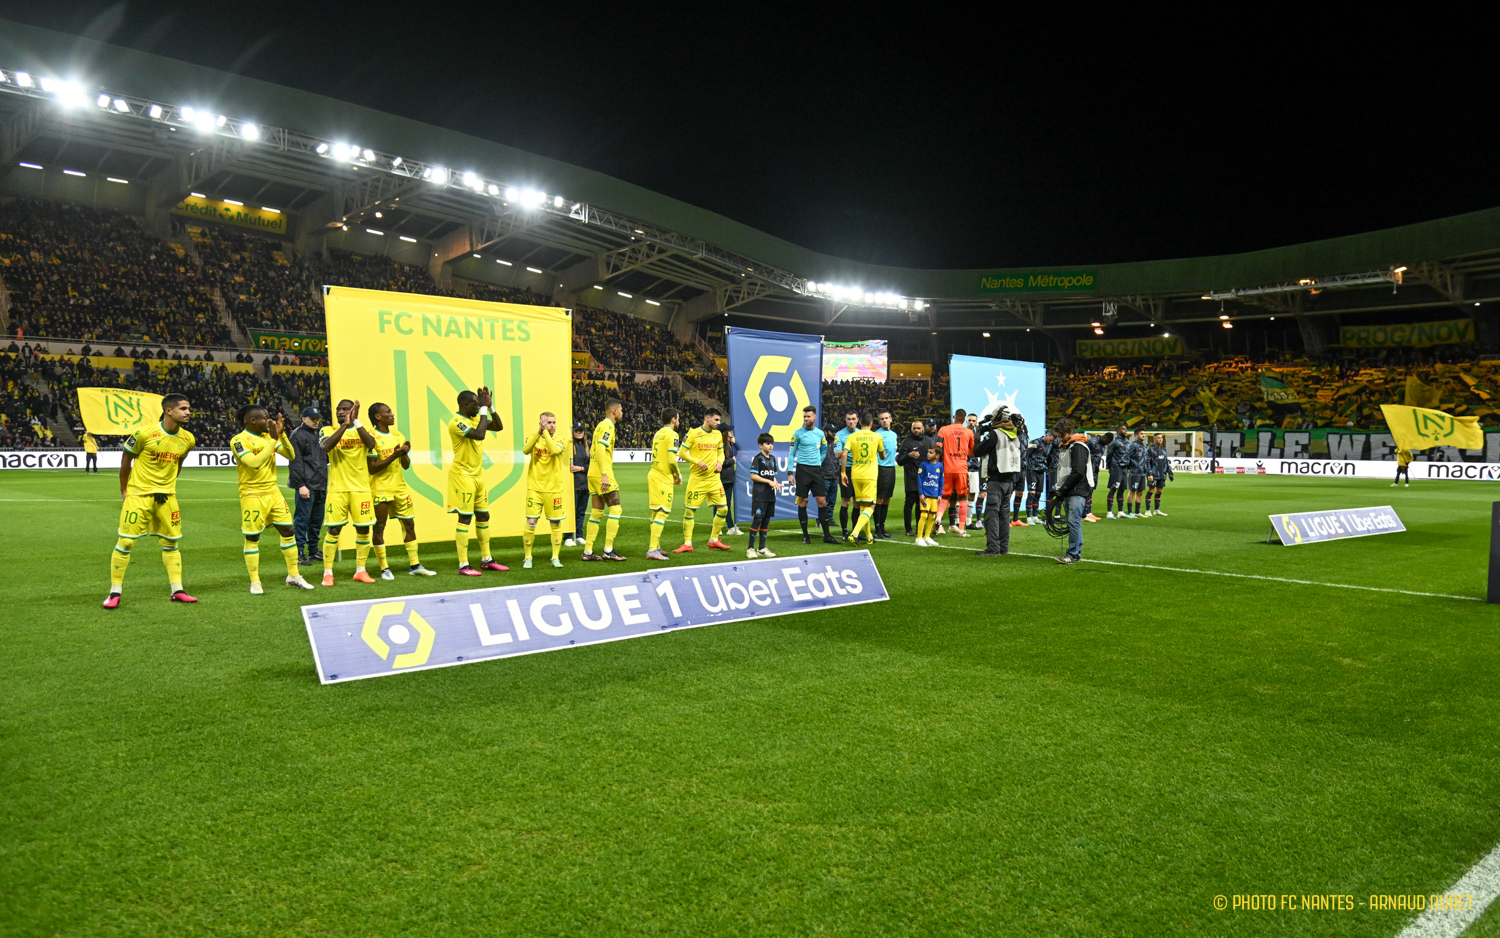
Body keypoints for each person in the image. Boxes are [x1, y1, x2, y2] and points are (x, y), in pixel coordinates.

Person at [103, 393, 197, 608]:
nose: (188, 412)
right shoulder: (144, 434)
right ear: (168, 411)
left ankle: (177, 590)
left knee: (171, 543)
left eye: (188, 408)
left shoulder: (188, 439)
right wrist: (124, 490)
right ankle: (114, 592)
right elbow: (126, 460)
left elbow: (178, 464)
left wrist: (168, 485)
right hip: (139, 496)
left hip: (167, 497)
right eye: (183, 408)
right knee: (126, 542)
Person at [231, 404, 314, 593]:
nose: (269, 422)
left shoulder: (268, 437)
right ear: (252, 420)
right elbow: (253, 463)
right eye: (265, 418)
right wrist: (272, 440)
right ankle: (255, 581)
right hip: (252, 494)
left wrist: (281, 435)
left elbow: (291, 454)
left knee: (288, 530)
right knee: (253, 536)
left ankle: (293, 575)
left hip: (273, 493)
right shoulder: (238, 440)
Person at [366, 402, 435, 578]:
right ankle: (384, 568)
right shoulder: (372, 437)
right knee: (380, 527)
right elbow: (372, 468)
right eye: (387, 412)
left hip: (400, 488)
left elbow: (406, 466)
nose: (392, 414)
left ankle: (415, 565)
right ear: (378, 416)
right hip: (381, 488)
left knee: (409, 524)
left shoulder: (398, 436)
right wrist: (394, 455)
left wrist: (403, 454)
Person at [447, 387, 508, 574]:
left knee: (483, 515)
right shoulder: (456, 422)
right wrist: (482, 410)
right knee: (465, 518)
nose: (478, 407)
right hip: (462, 476)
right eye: (475, 404)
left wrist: (490, 408)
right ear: (465, 405)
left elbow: (498, 426)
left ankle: (487, 559)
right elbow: (479, 435)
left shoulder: (475, 418)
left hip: (477, 476)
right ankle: (463, 564)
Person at [320, 398, 379, 586]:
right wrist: (345, 426)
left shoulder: (366, 431)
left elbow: (372, 444)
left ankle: (360, 570)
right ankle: (328, 573)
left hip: (361, 489)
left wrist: (356, 422)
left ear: (353, 411)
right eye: (338, 409)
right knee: (334, 529)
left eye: (345, 409)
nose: (340, 412)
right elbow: (326, 446)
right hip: (337, 489)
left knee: (363, 529)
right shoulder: (328, 430)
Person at [676, 407, 731, 552]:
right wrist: (697, 462)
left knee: (723, 508)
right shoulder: (693, 433)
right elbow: (681, 453)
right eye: (716, 419)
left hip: (714, 479)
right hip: (697, 480)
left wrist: (720, 462)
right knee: (690, 511)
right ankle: (687, 543)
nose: (719, 422)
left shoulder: (718, 434)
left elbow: (721, 453)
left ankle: (713, 540)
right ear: (708, 418)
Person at [521, 411, 568, 569]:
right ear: (541, 423)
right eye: (549, 423)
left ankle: (555, 557)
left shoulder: (560, 439)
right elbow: (525, 450)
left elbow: (554, 450)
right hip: (535, 488)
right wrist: (538, 433)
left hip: (554, 489)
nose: (552, 425)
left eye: (554, 422)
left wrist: (546, 433)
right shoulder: (533, 438)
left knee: (555, 522)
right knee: (531, 521)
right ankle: (528, 557)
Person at [973, 409, 1023, 556]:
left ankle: (993, 548)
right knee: (1004, 516)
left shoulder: (996, 434)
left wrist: (977, 435)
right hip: (1010, 481)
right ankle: (1003, 547)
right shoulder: (1015, 434)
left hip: (996, 479)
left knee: (992, 514)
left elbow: (977, 451)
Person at [582, 398, 626, 561]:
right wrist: (605, 474)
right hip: (601, 472)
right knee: (616, 510)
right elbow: (600, 448)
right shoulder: (608, 425)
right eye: (621, 409)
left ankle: (587, 552)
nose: (622, 412)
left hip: (592, 473)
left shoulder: (600, 425)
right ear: (614, 410)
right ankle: (608, 550)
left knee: (596, 512)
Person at [1051, 418, 1095, 565]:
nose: (1060, 439)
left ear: (1070, 432)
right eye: (1059, 436)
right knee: (1073, 522)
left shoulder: (1078, 446)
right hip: (1070, 489)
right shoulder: (1067, 446)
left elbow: (1078, 472)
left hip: (1077, 489)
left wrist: (1062, 490)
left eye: (1062, 436)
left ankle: (1073, 554)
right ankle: (1075, 552)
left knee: (1073, 521)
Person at [288, 406, 327, 565]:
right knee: (302, 519)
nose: (316, 421)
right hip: (307, 485)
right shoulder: (298, 435)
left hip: (320, 484)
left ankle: (313, 550)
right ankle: (298, 552)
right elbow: (295, 462)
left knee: (317, 520)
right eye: (313, 419)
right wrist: (301, 485)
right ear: (303, 418)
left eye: (318, 419)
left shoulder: (321, 433)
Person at [792, 406, 836, 544]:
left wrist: (818, 461)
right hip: (802, 470)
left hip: (816, 470)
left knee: (822, 502)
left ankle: (827, 535)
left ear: (814, 417)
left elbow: (824, 450)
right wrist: (789, 472)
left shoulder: (820, 434)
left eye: (808, 416)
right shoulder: (797, 433)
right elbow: (791, 453)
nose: (806, 419)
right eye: (804, 417)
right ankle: (806, 535)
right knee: (803, 502)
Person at [841, 411, 884, 544]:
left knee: (862, 507)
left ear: (860, 422)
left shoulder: (853, 437)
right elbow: (883, 456)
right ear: (871, 423)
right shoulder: (877, 436)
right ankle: (855, 533)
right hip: (870, 475)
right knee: (871, 506)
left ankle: (869, 536)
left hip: (855, 475)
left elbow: (844, 454)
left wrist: (843, 474)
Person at [645, 408, 682, 561]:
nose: (678, 421)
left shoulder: (658, 433)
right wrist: (677, 474)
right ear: (673, 419)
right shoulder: (672, 434)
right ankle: (652, 549)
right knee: (663, 512)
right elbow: (673, 460)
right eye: (678, 419)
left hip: (654, 474)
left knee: (656, 512)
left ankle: (656, 546)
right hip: (662, 476)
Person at [936, 409, 974, 536]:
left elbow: (938, 448)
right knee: (962, 497)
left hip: (947, 469)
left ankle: (938, 519)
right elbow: (972, 452)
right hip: (962, 469)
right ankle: (962, 530)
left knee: (945, 496)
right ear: (964, 419)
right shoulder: (969, 432)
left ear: (954, 417)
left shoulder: (943, 430)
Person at [747, 432, 779, 558]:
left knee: (766, 520)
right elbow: (753, 476)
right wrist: (769, 481)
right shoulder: (758, 459)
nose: (770, 446)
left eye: (772, 444)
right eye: (767, 444)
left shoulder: (772, 459)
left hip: (770, 495)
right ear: (760, 445)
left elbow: (772, 476)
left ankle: (761, 548)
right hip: (759, 494)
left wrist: (775, 483)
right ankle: (750, 548)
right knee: (757, 520)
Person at [897, 419, 927, 536]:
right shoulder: (906, 442)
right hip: (911, 477)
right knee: (909, 503)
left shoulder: (927, 441)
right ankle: (908, 529)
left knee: (922, 503)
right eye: (914, 428)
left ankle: (920, 528)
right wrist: (908, 455)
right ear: (911, 429)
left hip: (924, 478)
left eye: (918, 428)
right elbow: (899, 460)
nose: (916, 430)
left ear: (923, 428)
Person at [834, 409, 859, 536]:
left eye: (853, 419)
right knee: (846, 501)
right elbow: (836, 454)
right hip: (846, 469)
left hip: (860, 470)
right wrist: (846, 449)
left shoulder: (861, 433)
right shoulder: (839, 435)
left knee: (857, 502)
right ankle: (844, 531)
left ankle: (856, 531)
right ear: (845, 420)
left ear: (857, 420)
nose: (851, 422)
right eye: (849, 419)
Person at [874, 411, 899, 539]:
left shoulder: (894, 435)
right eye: (882, 419)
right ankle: (877, 529)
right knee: (879, 498)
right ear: (879, 421)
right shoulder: (876, 434)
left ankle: (883, 528)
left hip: (891, 468)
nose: (884, 420)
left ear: (891, 419)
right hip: (881, 468)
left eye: (886, 418)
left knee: (887, 498)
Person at [914, 445, 944, 546]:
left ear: (937, 455)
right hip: (926, 495)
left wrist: (940, 494)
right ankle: (919, 537)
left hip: (935, 495)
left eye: (931, 452)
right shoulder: (923, 465)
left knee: (932, 516)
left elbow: (941, 481)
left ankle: (927, 536)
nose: (928, 454)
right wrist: (921, 493)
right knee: (923, 515)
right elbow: (920, 480)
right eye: (928, 452)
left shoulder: (940, 466)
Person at [566, 422, 589, 546]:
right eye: (576, 430)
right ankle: (568, 536)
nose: (579, 432)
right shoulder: (570, 446)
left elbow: (592, 465)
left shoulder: (588, 446)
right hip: (573, 484)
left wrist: (581, 468)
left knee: (581, 511)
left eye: (581, 430)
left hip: (585, 484)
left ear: (584, 432)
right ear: (573, 432)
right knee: (571, 511)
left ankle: (579, 535)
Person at [1145, 432, 1175, 515]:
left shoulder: (1163, 449)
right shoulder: (1150, 449)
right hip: (1153, 475)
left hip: (1162, 475)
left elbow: (1166, 462)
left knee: (1159, 491)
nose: (1160, 439)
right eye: (1158, 438)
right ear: (1154, 439)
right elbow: (1147, 462)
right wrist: (1149, 474)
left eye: (1161, 437)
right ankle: (1147, 510)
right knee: (1151, 490)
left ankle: (1156, 510)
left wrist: (1170, 474)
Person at [1104, 425, 1130, 519]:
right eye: (1123, 429)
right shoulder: (1115, 442)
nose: (1126, 430)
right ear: (1118, 431)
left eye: (1126, 429)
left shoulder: (1127, 442)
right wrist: (1109, 467)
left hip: (1124, 469)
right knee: (1113, 488)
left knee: (1122, 490)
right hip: (1116, 468)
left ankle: (1120, 512)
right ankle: (1109, 512)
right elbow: (1109, 454)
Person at [720, 425, 742, 536]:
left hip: (729, 477)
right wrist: (732, 461)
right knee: (719, 503)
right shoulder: (720, 445)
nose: (731, 432)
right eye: (729, 430)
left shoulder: (729, 444)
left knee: (727, 503)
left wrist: (734, 443)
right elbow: (721, 462)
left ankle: (730, 526)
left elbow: (739, 452)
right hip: (722, 477)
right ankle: (720, 527)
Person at [1124, 429, 1149, 518]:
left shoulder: (1145, 446)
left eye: (1144, 434)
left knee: (1140, 492)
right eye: (1141, 434)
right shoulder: (1133, 445)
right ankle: (1130, 512)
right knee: (1132, 491)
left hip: (1142, 473)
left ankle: (1137, 512)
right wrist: (1130, 467)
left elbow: (1146, 460)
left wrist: (1148, 472)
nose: (1143, 435)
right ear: (1136, 435)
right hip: (1134, 473)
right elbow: (1127, 457)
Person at [965, 412, 983, 529]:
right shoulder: (962, 433)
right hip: (963, 467)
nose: (971, 422)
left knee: (972, 494)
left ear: (976, 422)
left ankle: (968, 521)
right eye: (970, 420)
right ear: (966, 421)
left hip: (975, 468)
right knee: (961, 494)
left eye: (973, 421)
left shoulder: (978, 435)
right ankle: (957, 521)